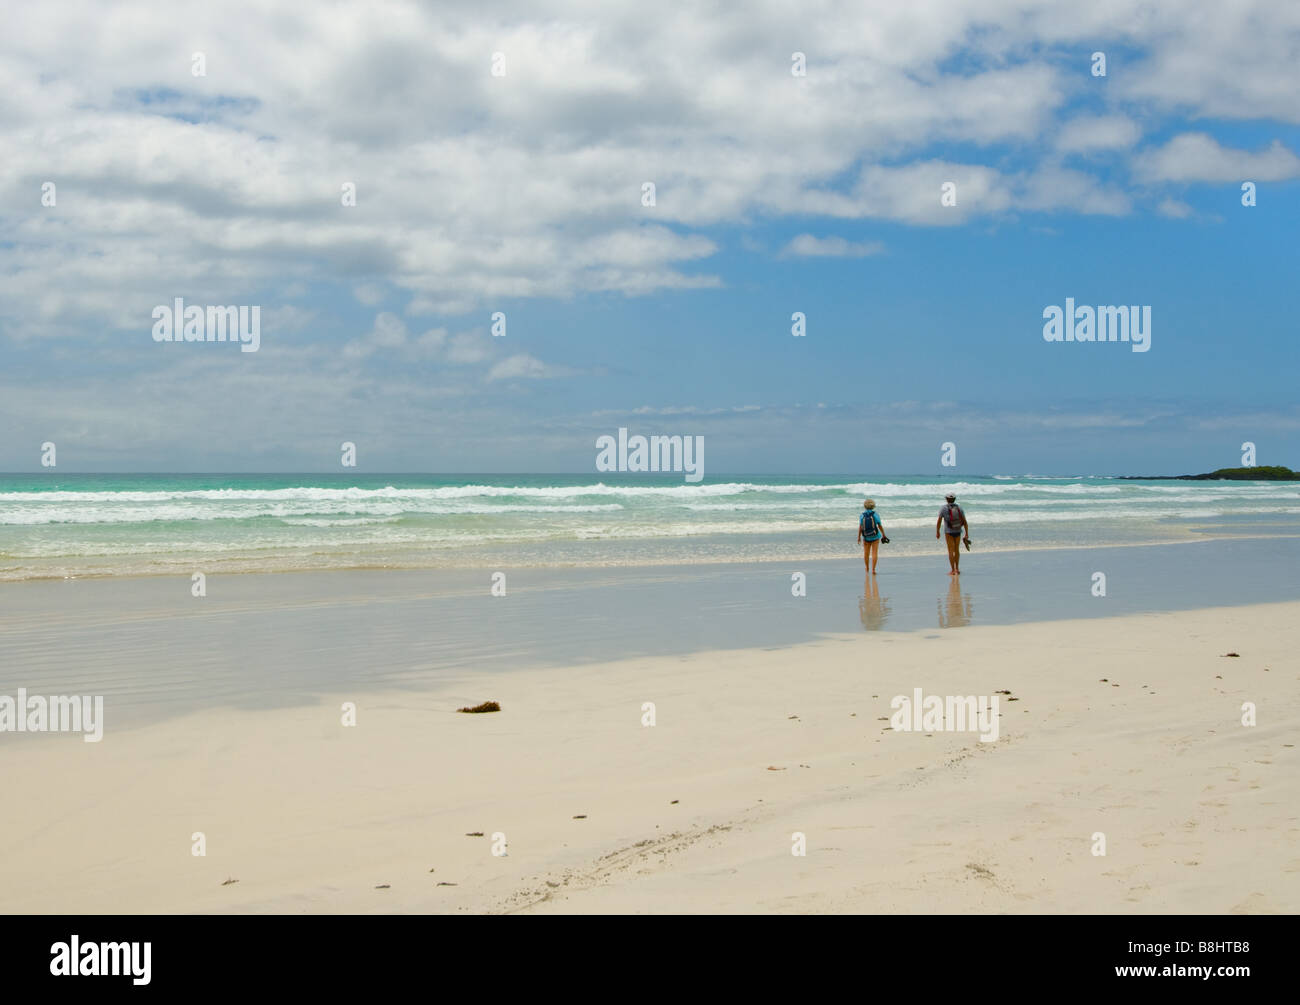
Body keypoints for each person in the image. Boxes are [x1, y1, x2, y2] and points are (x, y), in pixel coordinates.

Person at [935, 492, 969, 575]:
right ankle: (957, 569)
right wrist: (967, 533)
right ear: (954, 499)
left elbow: (939, 521)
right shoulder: (959, 508)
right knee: (956, 550)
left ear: (947, 499)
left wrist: (938, 531)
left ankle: (953, 570)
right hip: (958, 530)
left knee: (950, 551)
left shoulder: (943, 508)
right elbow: (964, 521)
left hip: (948, 532)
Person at [857, 498, 885, 574]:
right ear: (873, 506)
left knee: (866, 553)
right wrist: (883, 534)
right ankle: (873, 569)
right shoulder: (875, 514)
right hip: (875, 536)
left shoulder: (862, 515)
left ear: (865, 506)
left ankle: (867, 568)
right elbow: (879, 525)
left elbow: (861, 527)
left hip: (866, 537)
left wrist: (859, 537)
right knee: (874, 553)